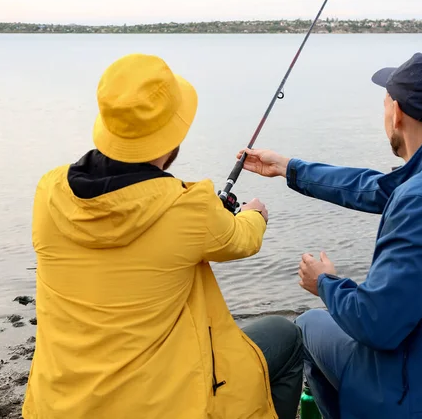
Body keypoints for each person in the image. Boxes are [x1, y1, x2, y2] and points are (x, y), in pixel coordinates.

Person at [238, 53, 422, 418]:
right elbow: (374, 187)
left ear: (398, 113)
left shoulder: (421, 200)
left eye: (385, 104)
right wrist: (288, 168)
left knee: (307, 327)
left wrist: (325, 283)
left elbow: (378, 326)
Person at [23, 53, 303, 419]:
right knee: (286, 337)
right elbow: (242, 239)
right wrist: (255, 214)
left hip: (55, 406)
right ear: (172, 137)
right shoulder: (187, 209)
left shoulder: (49, 192)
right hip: (158, 407)